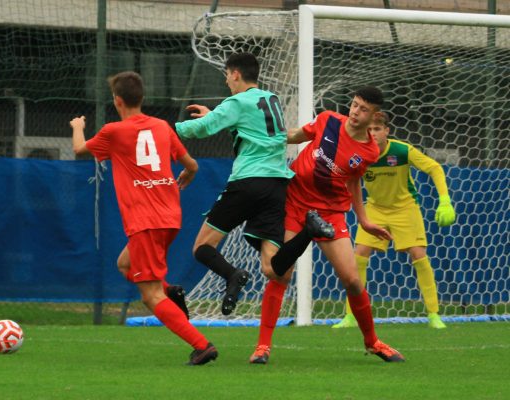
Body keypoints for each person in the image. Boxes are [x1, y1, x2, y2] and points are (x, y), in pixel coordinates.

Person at [70, 71, 217, 366]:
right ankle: (170, 291)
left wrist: (78, 126)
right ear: (142, 98)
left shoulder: (114, 131)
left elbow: (78, 150)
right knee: (125, 264)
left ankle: (202, 346)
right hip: (170, 215)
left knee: (149, 295)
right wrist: (187, 172)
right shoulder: (162, 127)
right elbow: (192, 165)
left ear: (118, 100)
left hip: (146, 220)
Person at [251, 86, 405, 364]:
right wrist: (255, 137)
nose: (355, 112)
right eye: (355, 105)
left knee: (352, 280)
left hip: (331, 214)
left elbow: (353, 182)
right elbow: (294, 136)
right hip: (295, 204)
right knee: (281, 274)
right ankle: (262, 347)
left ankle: (372, 342)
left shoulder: (369, 151)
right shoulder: (328, 120)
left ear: (375, 116)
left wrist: (364, 220)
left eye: (363, 109)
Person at [175, 52, 333, 317]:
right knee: (272, 267)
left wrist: (166, 130)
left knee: (202, 248)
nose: (227, 81)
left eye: (226, 75)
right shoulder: (271, 99)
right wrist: (215, 113)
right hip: (277, 186)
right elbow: (249, 127)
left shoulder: (236, 101)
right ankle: (308, 231)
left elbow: (202, 129)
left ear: (235, 73)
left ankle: (233, 275)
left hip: (248, 181)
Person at [332, 112, 455, 330]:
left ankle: (434, 314)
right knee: (358, 255)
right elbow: (347, 180)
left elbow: (434, 168)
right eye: (369, 130)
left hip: (405, 208)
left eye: (377, 129)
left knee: (419, 254)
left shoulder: (401, 150)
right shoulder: (358, 154)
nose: (373, 134)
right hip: (375, 208)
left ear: (386, 131)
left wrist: (444, 200)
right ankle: (351, 316)